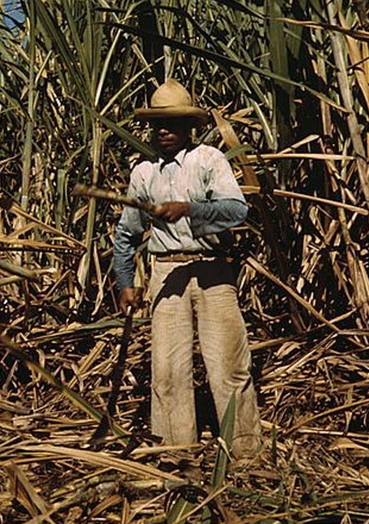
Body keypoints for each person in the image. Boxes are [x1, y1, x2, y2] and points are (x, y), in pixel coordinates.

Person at [112, 79, 261, 460]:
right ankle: (176, 451)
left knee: (228, 365)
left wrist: (189, 208)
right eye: (159, 124)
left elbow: (236, 210)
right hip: (166, 273)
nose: (164, 130)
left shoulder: (208, 160)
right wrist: (125, 281)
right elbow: (127, 233)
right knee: (167, 369)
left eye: (173, 123)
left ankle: (245, 453)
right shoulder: (144, 173)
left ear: (188, 127)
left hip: (212, 272)